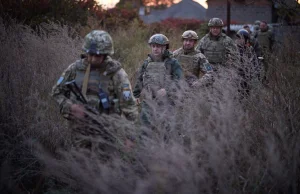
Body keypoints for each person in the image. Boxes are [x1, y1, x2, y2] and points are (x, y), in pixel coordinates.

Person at [51, 30, 138, 150]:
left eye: (97, 55)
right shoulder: (75, 69)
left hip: (107, 132)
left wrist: (130, 137)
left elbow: (129, 105)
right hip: (79, 131)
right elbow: (57, 92)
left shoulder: (116, 73)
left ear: (105, 54)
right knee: (79, 164)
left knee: (105, 166)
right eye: (90, 54)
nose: (92, 59)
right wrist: (70, 107)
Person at [133, 34, 183, 125]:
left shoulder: (172, 62)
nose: (155, 49)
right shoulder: (147, 62)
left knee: (165, 130)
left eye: (158, 46)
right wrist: (135, 95)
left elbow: (179, 80)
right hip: (148, 100)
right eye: (153, 46)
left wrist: (167, 89)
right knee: (145, 128)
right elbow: (140, 79)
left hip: (166, 102)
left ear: (164, 47)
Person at [235, 29, 260, 97]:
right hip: (235, 76)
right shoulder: (233, 48)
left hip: (247, 75)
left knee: (246, 94)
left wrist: (256, 73)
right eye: (238, 38)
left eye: (242, 38)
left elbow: (255, 62)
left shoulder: (249, 49)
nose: (239, 40)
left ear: (246, 40)